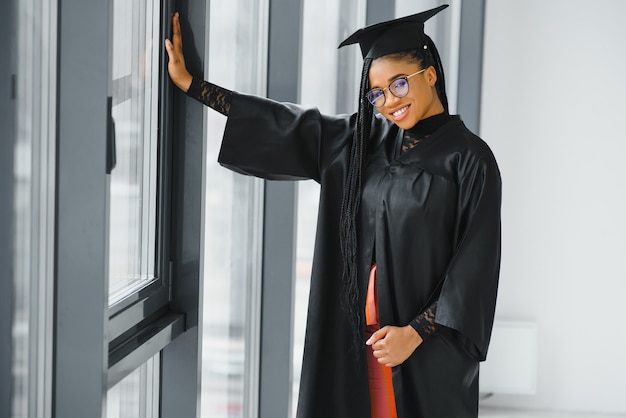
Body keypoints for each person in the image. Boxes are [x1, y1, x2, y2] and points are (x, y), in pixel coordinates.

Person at [165, 4, 501, 417]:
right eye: (376, 93)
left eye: (399, 84)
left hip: (423, 355)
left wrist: (414, 333)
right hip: (355, 347)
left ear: (429, 75)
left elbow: (474, 266)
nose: (388, 102)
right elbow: (285, 123)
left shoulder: (469, 160)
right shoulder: (362, 143)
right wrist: (193, 86)